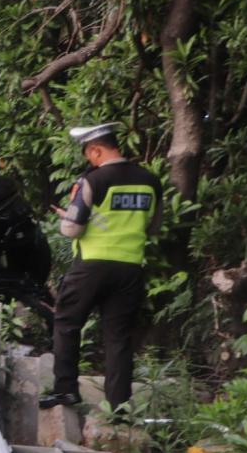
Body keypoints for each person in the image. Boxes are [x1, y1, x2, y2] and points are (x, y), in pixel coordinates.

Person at [39, 122, 163, 412]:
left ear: (96, 150)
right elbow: (153, 228)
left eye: (88, 155)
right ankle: (118, 407)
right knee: (118, 336)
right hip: (130, 268)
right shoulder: (150, 181)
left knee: (68, 324)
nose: (88, 160)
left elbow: (72, 230)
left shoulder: (92, 180)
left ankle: (66, 392)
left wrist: (67, 216)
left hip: (91, 266)